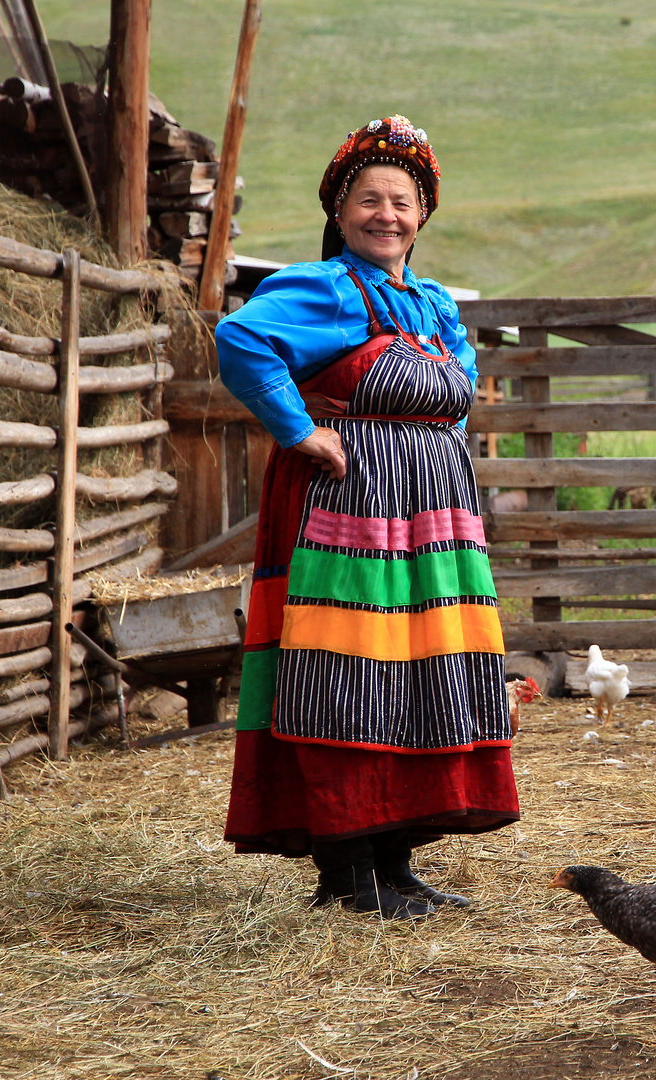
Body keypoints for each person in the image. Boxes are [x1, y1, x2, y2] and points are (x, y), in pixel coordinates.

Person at [216, 116, 518, 919]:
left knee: (423, 677)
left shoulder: (433, 301)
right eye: (369, 200)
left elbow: (457, 394)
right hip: (348, 514)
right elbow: (240, 341)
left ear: (423, 216)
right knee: (346, 675)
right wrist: (300, 428)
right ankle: (346, 874)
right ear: (340, 210)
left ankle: (395, 862)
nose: (387, 215)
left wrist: (435, 467)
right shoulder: (323, 288)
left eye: (403, 202)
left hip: (429, 525)